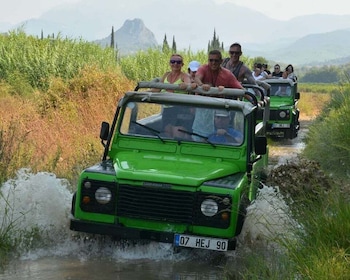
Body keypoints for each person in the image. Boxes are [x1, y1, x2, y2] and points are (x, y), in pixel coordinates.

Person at [192, 49, 243, 139]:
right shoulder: (203, 68)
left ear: (221, 61)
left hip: (219, 110)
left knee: (222, 135)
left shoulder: (227, 74)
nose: (213, 63)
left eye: (216, 60)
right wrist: (202, 85)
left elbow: (240, 89)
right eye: (211, 60)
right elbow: (197, 78)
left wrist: (255, 101)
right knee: (200, 136)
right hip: (203, 110)